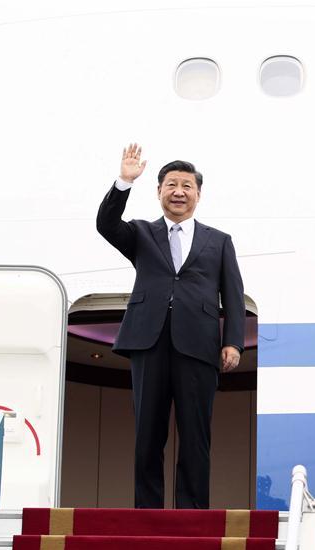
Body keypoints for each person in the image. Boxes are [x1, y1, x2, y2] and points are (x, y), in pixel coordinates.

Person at [96, 143, 244, 509]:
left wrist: (233, 342)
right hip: (149, 342)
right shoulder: (141, 233)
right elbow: (106, 225)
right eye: (171, 185)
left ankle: (192, 513)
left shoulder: (219, 241)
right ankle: (147, 511)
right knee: (148, 432)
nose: (179, 191)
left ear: (198, 194)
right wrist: (124, 181)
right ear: (159, 191)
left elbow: (233, 296)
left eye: (186, 186)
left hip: (199, 345)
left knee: (196, 434)